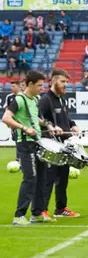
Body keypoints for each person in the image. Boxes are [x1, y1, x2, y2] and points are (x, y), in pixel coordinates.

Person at [5, 71, 52, 226]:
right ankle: (19, 216)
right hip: (25, 144)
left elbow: (34, 118)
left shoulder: (35, 99)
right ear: (30, 84)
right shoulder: (19, 99)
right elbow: (6, 118)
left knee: (42, 178)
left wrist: (49, 125)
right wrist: (24, 128)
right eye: (39, 85)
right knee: (30, 178)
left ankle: (37, 213)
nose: (42, 88)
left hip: (37, 142)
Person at [40, 69, 81, 219]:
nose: (65, 85)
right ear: (53, 81)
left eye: (66, 82)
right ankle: (42, 210)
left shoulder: (61, 99)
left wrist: (73, 125)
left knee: (63, 178)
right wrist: (50, 125)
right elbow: (38, 118)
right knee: (48, 179)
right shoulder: (45, 99)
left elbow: (66, 118)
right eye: (62, 82)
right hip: (51, 146)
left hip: (64, 145)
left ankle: (60, 208)